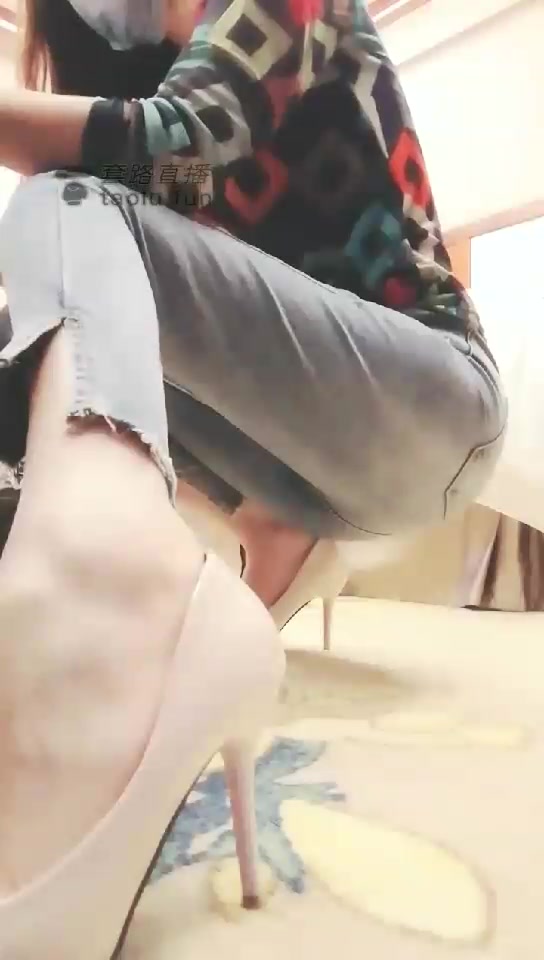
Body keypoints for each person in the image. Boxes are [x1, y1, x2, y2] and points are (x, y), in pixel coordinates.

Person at [0, 0, 506, 955]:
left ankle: (99, 590)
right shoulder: (161, 134)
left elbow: (179, 136)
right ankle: (186, 566)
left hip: (431, 403)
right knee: (35, 329)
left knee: (63, 204)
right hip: (292, 450)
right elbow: (161, 175)